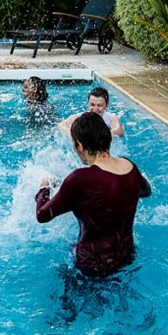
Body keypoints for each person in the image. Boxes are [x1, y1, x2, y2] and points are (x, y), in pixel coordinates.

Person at [36, 112, 151, 278]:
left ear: (80, 146)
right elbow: (145, 192)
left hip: (92, 266)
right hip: (127, 258)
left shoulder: (80, 178)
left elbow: (43, 215)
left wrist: (44, 189)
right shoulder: (129, 166)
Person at [57, 86, 125, 137]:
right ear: (88, 104)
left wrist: (101, 136)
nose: (95, 109)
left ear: (106, 105)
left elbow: (119, 130)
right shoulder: (81, 117)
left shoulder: (110, 118)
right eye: (92, 105)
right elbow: (61, 125)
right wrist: (76, 136)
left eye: (99, 105)